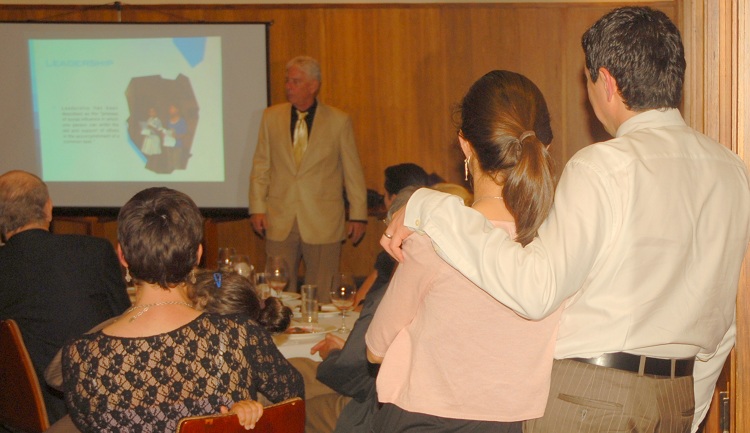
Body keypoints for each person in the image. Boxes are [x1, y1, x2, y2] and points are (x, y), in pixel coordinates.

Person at [381, 7, 750, 433]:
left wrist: (433, 207)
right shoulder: (732, 171)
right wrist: (689, 407)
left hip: (591, 398)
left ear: (606, 81)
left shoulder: (603, 165)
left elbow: (535, 290)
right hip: (677, 398)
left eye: (588, 80)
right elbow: (725, 322)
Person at [366, 70, 560, 433]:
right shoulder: (558, 248)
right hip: (514, 424)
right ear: (544, 147)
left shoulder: (432, 242)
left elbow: (375, 347)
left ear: (466, 146)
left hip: (422, 419)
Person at [61, 187, 304, 433]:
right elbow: (293, 403)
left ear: (122, 256)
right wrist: (248, 414)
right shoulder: (238, 334)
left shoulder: (81, 355)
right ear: (198, 254)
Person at [298, 163, 429, 433]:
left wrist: (334, 353)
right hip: (404, 403)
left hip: (375, 411)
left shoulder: (393, 295)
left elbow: (355, 373)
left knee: (292, 406)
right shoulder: (449, 283)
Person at [0, 170, 131, 425]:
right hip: (100, 410)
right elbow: (128, 324)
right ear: (48, 209)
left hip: (18, 416)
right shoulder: (94, 252)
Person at [249, 55, 368, 302]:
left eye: (295, 81)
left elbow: (352, 171)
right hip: (280, 217)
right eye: (287, 81)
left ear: (313, 86)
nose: (288, 87)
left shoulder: (338, 121)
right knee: (277, 292)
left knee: (323, 292)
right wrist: (257, 207)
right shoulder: (271, 118)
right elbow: (261, 165)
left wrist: (358, 214)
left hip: (323, 219)